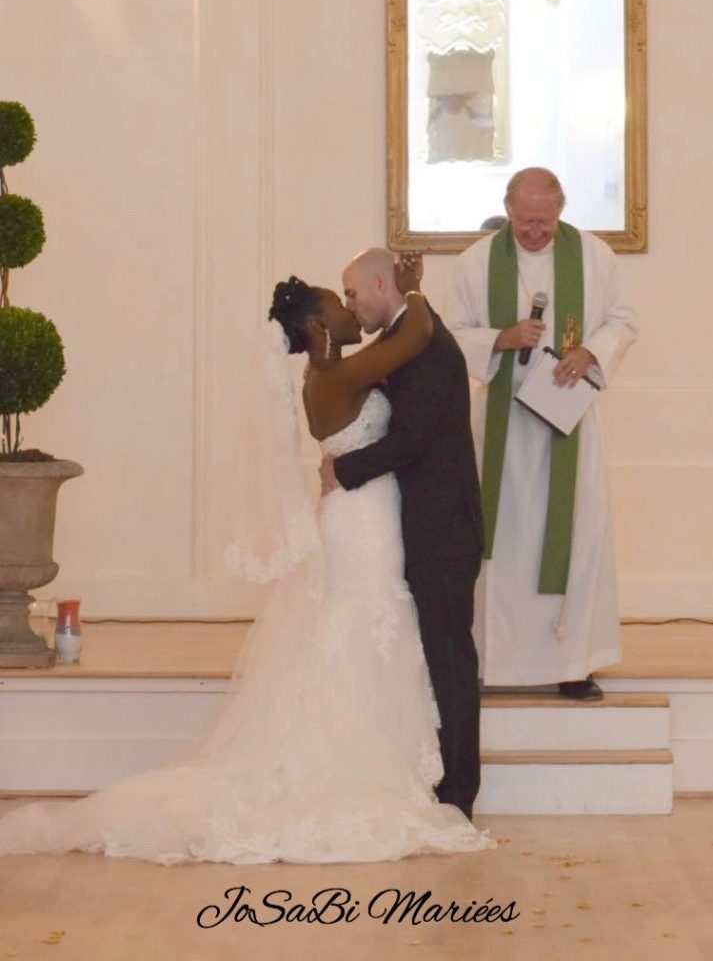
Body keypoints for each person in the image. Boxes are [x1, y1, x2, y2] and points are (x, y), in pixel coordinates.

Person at [0, 261, 494, 865]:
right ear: (316, 327)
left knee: (392, 638)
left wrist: (402, 286)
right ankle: (391, 775)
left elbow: (410, 377)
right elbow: (415, 336)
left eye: (353, 292)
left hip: (385, 522)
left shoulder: (338, 367)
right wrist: (409, 287)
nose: (349, 305)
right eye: (340, 299)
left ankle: (429, 777)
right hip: (364, 525)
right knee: (371, 632)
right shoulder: (338, 372)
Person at [446, 167, 638, 700]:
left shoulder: (594, 257)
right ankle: (494, 660)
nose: (535, 232)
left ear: (561, 208)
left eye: (546, 222)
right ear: (507, 209)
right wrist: (500, 338)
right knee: (501, 539)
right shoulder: (477, 263)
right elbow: (450, 334)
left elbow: (623, 320)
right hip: (503, 423)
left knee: (577, 534)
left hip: (568, 420)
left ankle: (572, 662)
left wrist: (590, 351)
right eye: (526, 222)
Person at [320, 247, 483, 819]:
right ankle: (438, 778)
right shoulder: (404, 341)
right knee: (436, 655)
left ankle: (459, 793)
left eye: (353, 292)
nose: (350, 304)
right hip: (422, 524)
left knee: (450, 658)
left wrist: (341, 471)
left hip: (443, 530)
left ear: (381, 283)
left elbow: (411, 440)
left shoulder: (427, 347)